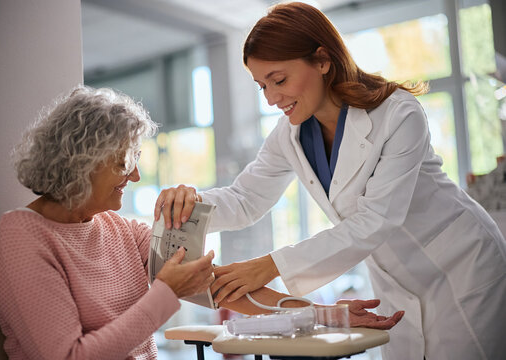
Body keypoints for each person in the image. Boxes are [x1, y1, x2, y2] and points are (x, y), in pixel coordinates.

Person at [154, 2, 506, 360]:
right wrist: (190, 205)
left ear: (323, 61)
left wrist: (268, 266)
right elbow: (246, 199)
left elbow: (376, 219)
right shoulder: (288, 135)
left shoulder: (398, 113)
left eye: (279, 80)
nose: (273, 99)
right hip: (394, 281)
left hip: (462, 264)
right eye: (262, 87)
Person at [0, 86, 402, 360]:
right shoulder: (22, 237)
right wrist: (167, 293)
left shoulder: (121, 231)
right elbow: (68, 357)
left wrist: (326, 315)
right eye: (123, 163)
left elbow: (222, 288)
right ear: (82, 163)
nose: (133, 178)